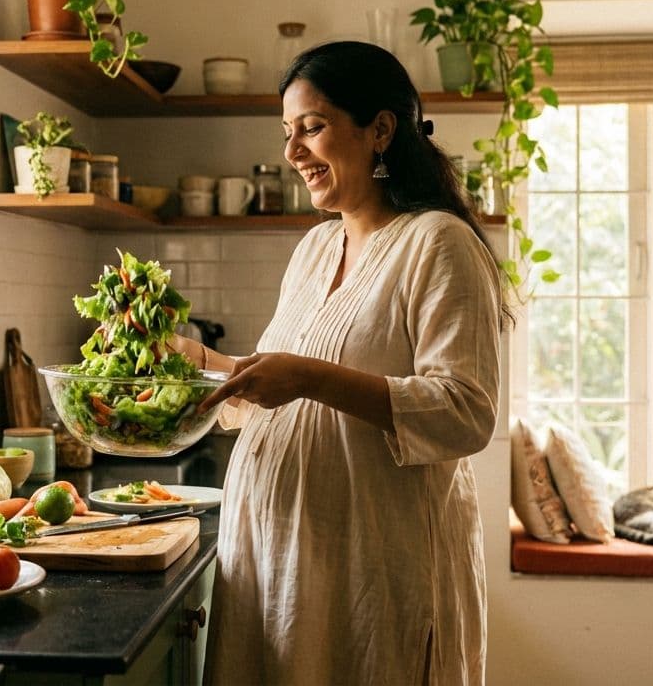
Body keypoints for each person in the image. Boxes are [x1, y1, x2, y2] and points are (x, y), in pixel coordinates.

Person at [172, 40, 503, 686]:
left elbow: (466, 411)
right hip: (282, 575)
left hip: (373, 582)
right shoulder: (316, 249)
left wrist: (310, 379)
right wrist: (199, 363)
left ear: (379, 130)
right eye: (288, 133)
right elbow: (274, 385)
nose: (292, 152)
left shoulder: (438, 244)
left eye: (312, 128)